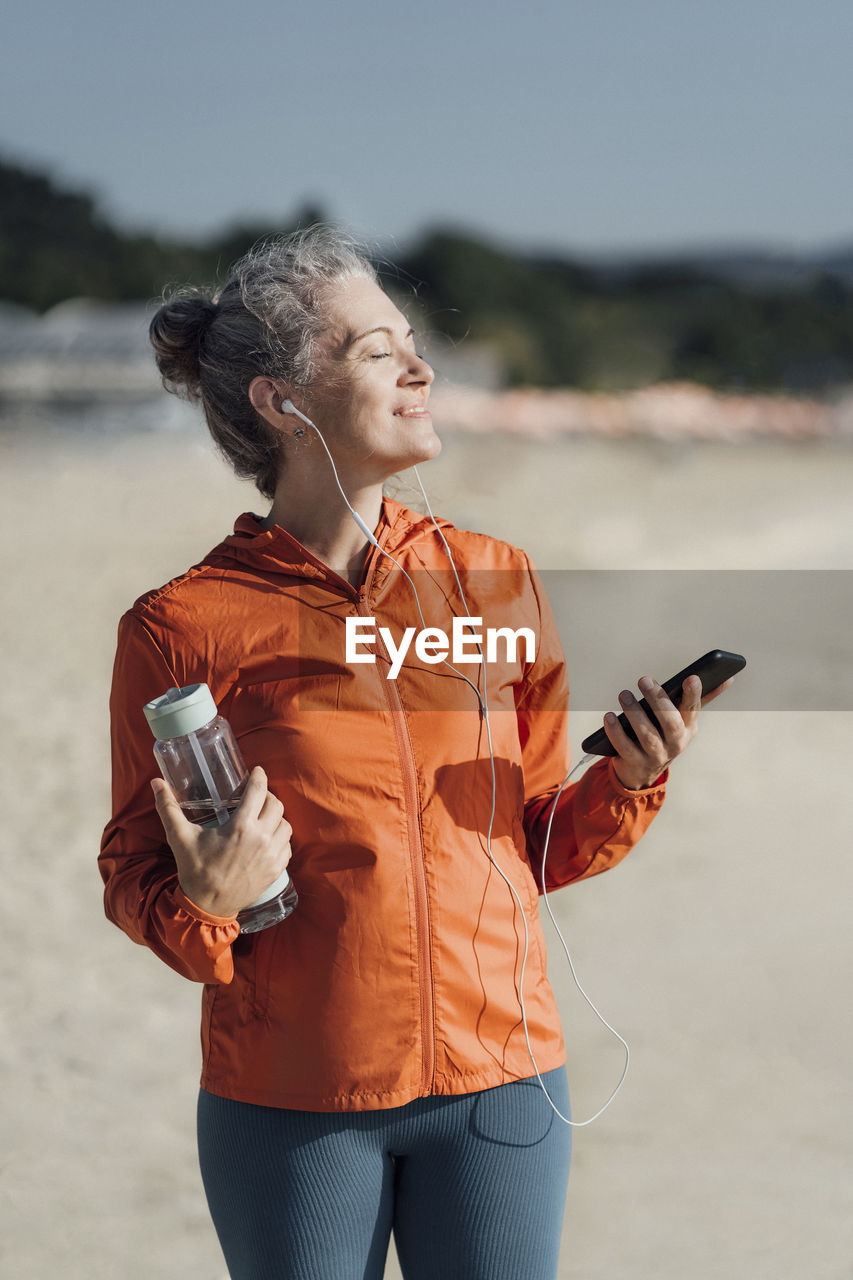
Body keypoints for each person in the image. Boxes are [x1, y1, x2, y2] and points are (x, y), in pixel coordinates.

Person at [100, 226, 727, 1280]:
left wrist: (629, 778)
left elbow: (534, 843)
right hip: (295, 1103)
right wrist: (207, 899)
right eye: (372, 348)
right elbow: (133, 876)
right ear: (279, 400)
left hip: (503, 1084)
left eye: (409, 339)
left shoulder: (493, 581)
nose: (418, 366)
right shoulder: (183, 625)